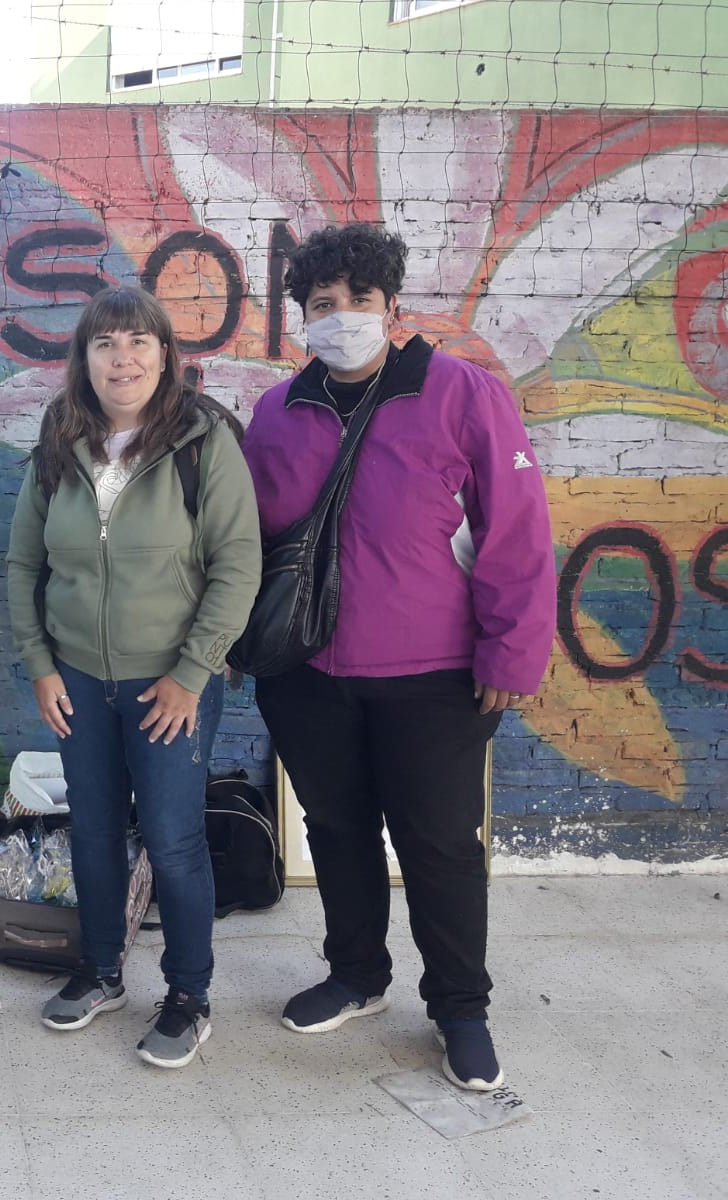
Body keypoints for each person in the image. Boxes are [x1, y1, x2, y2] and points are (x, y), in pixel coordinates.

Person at [242, 223, 555, 1091]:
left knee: (440, 844)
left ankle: (460, 1008)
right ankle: (356, 974)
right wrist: (237, 642)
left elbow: (518, 531)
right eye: (323, 303)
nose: (341, 315)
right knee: (337, 830)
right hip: (307, 675)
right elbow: (246, 542)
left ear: (391, 306)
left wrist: (510, 654)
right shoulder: (277, 413)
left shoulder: (464, 394)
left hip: (434, 677)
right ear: (302, 317)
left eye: (359, 299)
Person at [6, 285, 261, 1068]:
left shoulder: (202, 440)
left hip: (169, 686)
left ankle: (188, 995)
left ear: (165, 354)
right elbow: (23, 563)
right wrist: (41, 665)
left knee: (174, 840)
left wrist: (192, 672)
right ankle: (101, 971)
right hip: (78, 680)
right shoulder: (61, 439)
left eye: (139, 341)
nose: (123, 358)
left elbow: (238, 564)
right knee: (92, 831)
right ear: (83, 359)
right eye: (105, 343)